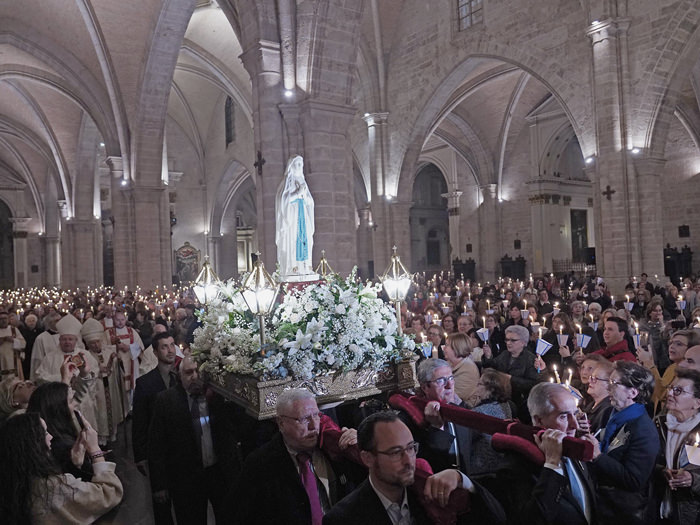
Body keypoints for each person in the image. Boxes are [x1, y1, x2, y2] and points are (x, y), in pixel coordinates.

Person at [323, 411, 505, 525]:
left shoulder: (427, 495)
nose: (409, 460)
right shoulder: (343, 518)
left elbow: (497, 518)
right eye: (395, 452)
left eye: (411, 448)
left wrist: (462, 480)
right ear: (367, 458)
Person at [234, 388, 363, 525]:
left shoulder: (333, 448)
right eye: (304, 419)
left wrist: (361, 445)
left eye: (316, 415)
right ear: (281, 423)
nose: (314, 426)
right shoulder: (261, 464)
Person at [148, 356, 242, 524]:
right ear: (179, 376)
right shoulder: (166, 401)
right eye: (189, 372)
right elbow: (157, 445)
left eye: (198, 371)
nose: (195, 376)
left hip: (218, 474)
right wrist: (159, 484)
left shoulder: (218, 397)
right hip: (186, 478)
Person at [497, 382, 596, 525]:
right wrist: (552, 465)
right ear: (538, 420)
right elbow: (532, 520)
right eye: (563, 417)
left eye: (575, 414)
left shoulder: (573, 448)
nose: (575, 424)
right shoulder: (515, 467)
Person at [0, 412, 122, 524]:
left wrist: (74, 465)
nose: (50, 437)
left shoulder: (14, 479)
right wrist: (95, 450)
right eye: (45, 433)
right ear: (32, 443)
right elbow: (109, 493)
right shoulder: (49, 488)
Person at [583, 361, 660, 525]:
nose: (608, 388)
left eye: (614, 383)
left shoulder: (644, 430)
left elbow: (634, 480)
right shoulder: (611, 414)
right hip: (603, 504)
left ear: (632, 392)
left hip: (622, 513)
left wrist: (598, 456)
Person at [133, 331, 178, 525]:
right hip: (159, 453)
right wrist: (141, 455)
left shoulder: (183, 377)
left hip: (182, 452)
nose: (170, 350)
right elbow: (140, 422)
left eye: (172, 345)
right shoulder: (145, 383)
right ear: (155, 351)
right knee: (162, 503)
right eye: (164, 347)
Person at [35, 314, 99, 430]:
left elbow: (95, 372)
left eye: (70, 339)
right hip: (59, 402)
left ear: (76, 340)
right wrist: (63, 378)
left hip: (82, 401)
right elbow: (40, 377)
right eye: (64, 339)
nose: (67, 342)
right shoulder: (50, 357)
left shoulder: (85, 355)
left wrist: (82, 377)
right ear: (59, 340)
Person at [653, 368, 700, 524]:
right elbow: (647, 461)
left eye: (678, 391)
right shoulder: (659, 424)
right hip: (658, 507)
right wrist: (661, 471)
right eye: (671, 388)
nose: (670, 394)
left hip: (689, 513)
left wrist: (692, 479)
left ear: (697, 402)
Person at [482, 324, 540, 420]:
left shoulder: (530, 359)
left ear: (523, 342)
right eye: (507, 339)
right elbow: (492, 366)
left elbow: (532, 384)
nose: (508, 343)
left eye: (513, 340)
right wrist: (488, 357)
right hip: (501, 397)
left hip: (519, 401)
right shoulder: (505, 354)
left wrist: (511, 379)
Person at [81, 318, 125, 444]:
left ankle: (112, 435)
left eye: (97, 342)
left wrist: (118, 361)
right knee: (100, 413)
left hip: (110, 387)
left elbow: (114, 369)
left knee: (111, 409)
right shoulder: (87, 355)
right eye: (92, 343)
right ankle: (101, 438)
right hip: (97, 389)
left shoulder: (108, 352)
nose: (96, 345)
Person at [276, 155, 316, 280]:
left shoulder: (303, 182)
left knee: (306, 240)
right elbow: (282, 201)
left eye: (301, 164)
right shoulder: (286, 182)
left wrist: (306, 198)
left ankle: (306, 266)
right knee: (293, 241)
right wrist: (297, 194)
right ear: (291, 166)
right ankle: (293, 268)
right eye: (297, 164)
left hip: (303, 217)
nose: (300, 167)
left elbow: (310, 202)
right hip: (292, 220)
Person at [443, 333, 479, 401]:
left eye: (447, 345)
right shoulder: (449, 363)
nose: (444, 348)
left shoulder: (468, 369)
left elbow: (459, 395)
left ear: (457, 347)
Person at [580, 360, 614, 435]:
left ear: (609, 384)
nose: (589, 381)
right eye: (591, 377)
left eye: (595, 378)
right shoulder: (591, 404)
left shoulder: (608, 410)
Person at [0, 310, 26, 378]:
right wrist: (2, 340)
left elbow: (23, 343)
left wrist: (13, 340)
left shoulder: (13, 330)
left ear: (8, 319)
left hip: (13, 359)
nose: (3, 321)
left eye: (5, 318)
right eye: (1, 319)